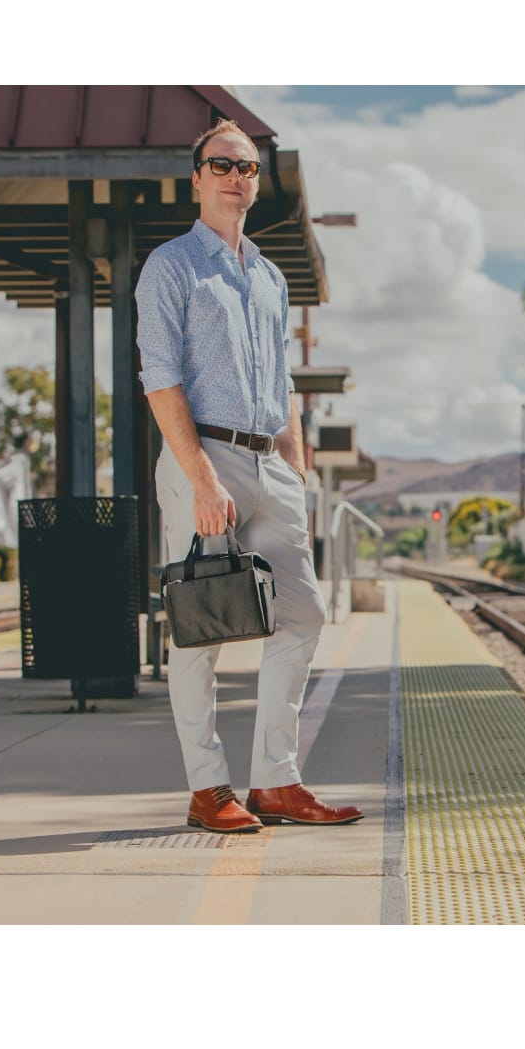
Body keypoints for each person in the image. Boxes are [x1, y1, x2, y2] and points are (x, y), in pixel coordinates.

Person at [135, 117, 363, 833]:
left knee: (302, 614)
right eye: (222, 165)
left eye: (248, 169)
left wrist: (294, 465)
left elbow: (284, 381)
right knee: (201, 628)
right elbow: (161, 380)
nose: (237, 177)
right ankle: (209, 789)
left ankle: (275, 781)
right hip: (204, 456)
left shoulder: (267, 276)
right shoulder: (171, 266)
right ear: (196, 178)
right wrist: (201, 478)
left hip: (271, 461)